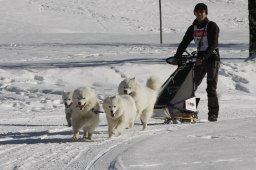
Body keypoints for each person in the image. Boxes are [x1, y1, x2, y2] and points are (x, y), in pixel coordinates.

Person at [171, 3, 220, 121]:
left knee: (211, 88)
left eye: (202, 11)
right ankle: (189, 112)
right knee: (191, 86)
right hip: (199, 59)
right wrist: (177, 56)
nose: (200, 13)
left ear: (206, 13)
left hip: (212, 59)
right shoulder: (192, 27)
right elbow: (184, 42)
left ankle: (212, 114)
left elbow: (214, 44)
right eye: (197, 11)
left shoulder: (212, 26)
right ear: (194, 13)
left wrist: (203, 57)